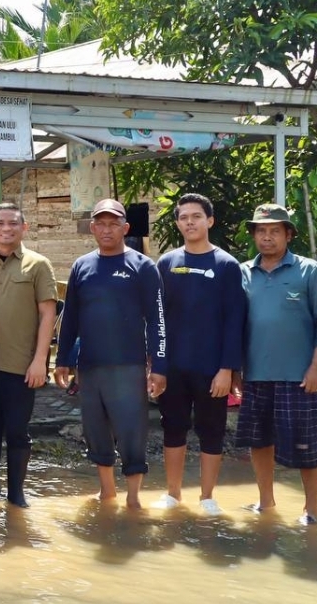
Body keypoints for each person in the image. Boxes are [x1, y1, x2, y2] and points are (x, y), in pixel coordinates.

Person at [54, 198, 167, 510]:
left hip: (129, 365)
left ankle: (133, 497)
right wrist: (63, 359)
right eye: (100, 224)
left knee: (132, 430)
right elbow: (71, 317)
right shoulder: (82, 266)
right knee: (95, 429)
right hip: (89, 366)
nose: (106, 229)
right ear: (92, 228)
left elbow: (158, 319)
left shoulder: (143, 267)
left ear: (125, 228)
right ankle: (106, 492)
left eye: (113, 223)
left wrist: (159, 366)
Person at [152, 193, 245, 516]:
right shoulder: (166, 263)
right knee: (173, 427)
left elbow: (235, 320)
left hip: (211, 368)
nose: (189, 222)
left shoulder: (226, 265)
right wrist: (157, 365)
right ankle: (173, 494)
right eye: (183, 217)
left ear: (210, 221)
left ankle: (207, 496)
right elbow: (157, 318)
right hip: (174, 367)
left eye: (196, 216)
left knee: (212, 430)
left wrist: (227, 368)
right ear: (178, 223)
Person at [0, 203, 57, 507]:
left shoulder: (38, 265)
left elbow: (47, 314)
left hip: (20, 365)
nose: (6, 228)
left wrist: (41, 360)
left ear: (23, 228)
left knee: (18, 432)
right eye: (0, 223)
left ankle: (17, 493)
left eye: (13, 223)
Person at [236, 203, 317, 524]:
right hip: (255, 374)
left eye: (274, 231)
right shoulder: (243, 272)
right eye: (261, 231)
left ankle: (312, 509)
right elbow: (235, 324)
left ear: (288, 234)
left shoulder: (309, 271)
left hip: (298, 376)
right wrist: (236, 368)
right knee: (259, 441)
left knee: (308, 448)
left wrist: (315, 367)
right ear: (254, 235)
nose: (267, 237)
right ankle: (265, 503)